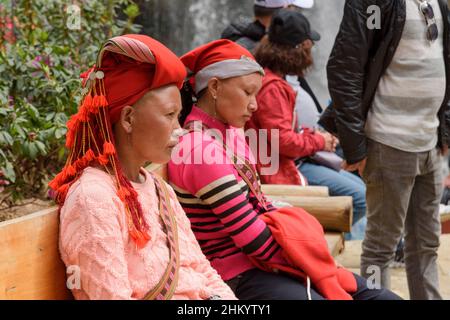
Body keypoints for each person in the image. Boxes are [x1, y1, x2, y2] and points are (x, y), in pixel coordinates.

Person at [167, 39, 400, 300]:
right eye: (247, 93)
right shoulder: (198, 148)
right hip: (234, 273)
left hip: (261, 261)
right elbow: (250, 237)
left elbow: (259, 204)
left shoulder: (229, 132)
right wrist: (308, 261)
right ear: (214, 87)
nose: (254, 105)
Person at [49, 34, 236, 300]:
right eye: (170, 116)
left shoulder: (160, 188)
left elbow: (201, 269)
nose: (179, 130)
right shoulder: (93, 199)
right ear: (128, 119)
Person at [322, 0, 450, 300]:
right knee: (381, 247)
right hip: (388, 141)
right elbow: (344, 67)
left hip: (429, 141)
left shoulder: (439, 3)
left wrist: (445, 129)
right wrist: (355, 147)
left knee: (426, 244)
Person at [248, 9, 367, 234]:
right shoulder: (272, 87)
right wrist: (319, 142)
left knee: (360, 188)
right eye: (309, 45)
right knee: (359, 198)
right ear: (301, 47)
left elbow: (279, 132)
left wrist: (314, 136)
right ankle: (310, 239)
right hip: (280, 169)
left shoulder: (270, 78)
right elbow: (282, 141)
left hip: (290, 161)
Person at [221, 0, 314, 52]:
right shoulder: (255, 50)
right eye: (296, 8)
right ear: (285, 11)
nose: (297, 14)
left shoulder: (237, 33)